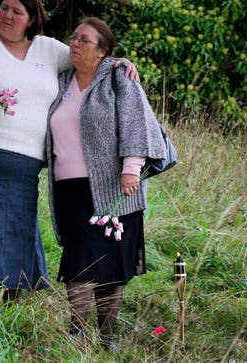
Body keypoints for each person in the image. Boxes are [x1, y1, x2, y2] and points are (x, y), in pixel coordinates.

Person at [0, 0, 138, 310]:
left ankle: (12, 300)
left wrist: (117, 62)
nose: (7, 15)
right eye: (4, 7)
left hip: (22, 163)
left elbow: (88, 57)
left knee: (16, 227)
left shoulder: (48, 51)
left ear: (32, 19)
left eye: (17, 12)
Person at [45, 17, 167, 350]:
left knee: (112, 265)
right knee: (79, 260)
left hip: (116, 186)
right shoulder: (60, 82)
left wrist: (131, 167)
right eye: (73, 38)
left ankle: (107, 336)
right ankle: (78, 329)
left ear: (103, 52)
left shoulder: (119, 79)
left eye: (84, 40)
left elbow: (136, 123)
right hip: (70, 189)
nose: (75, 44)